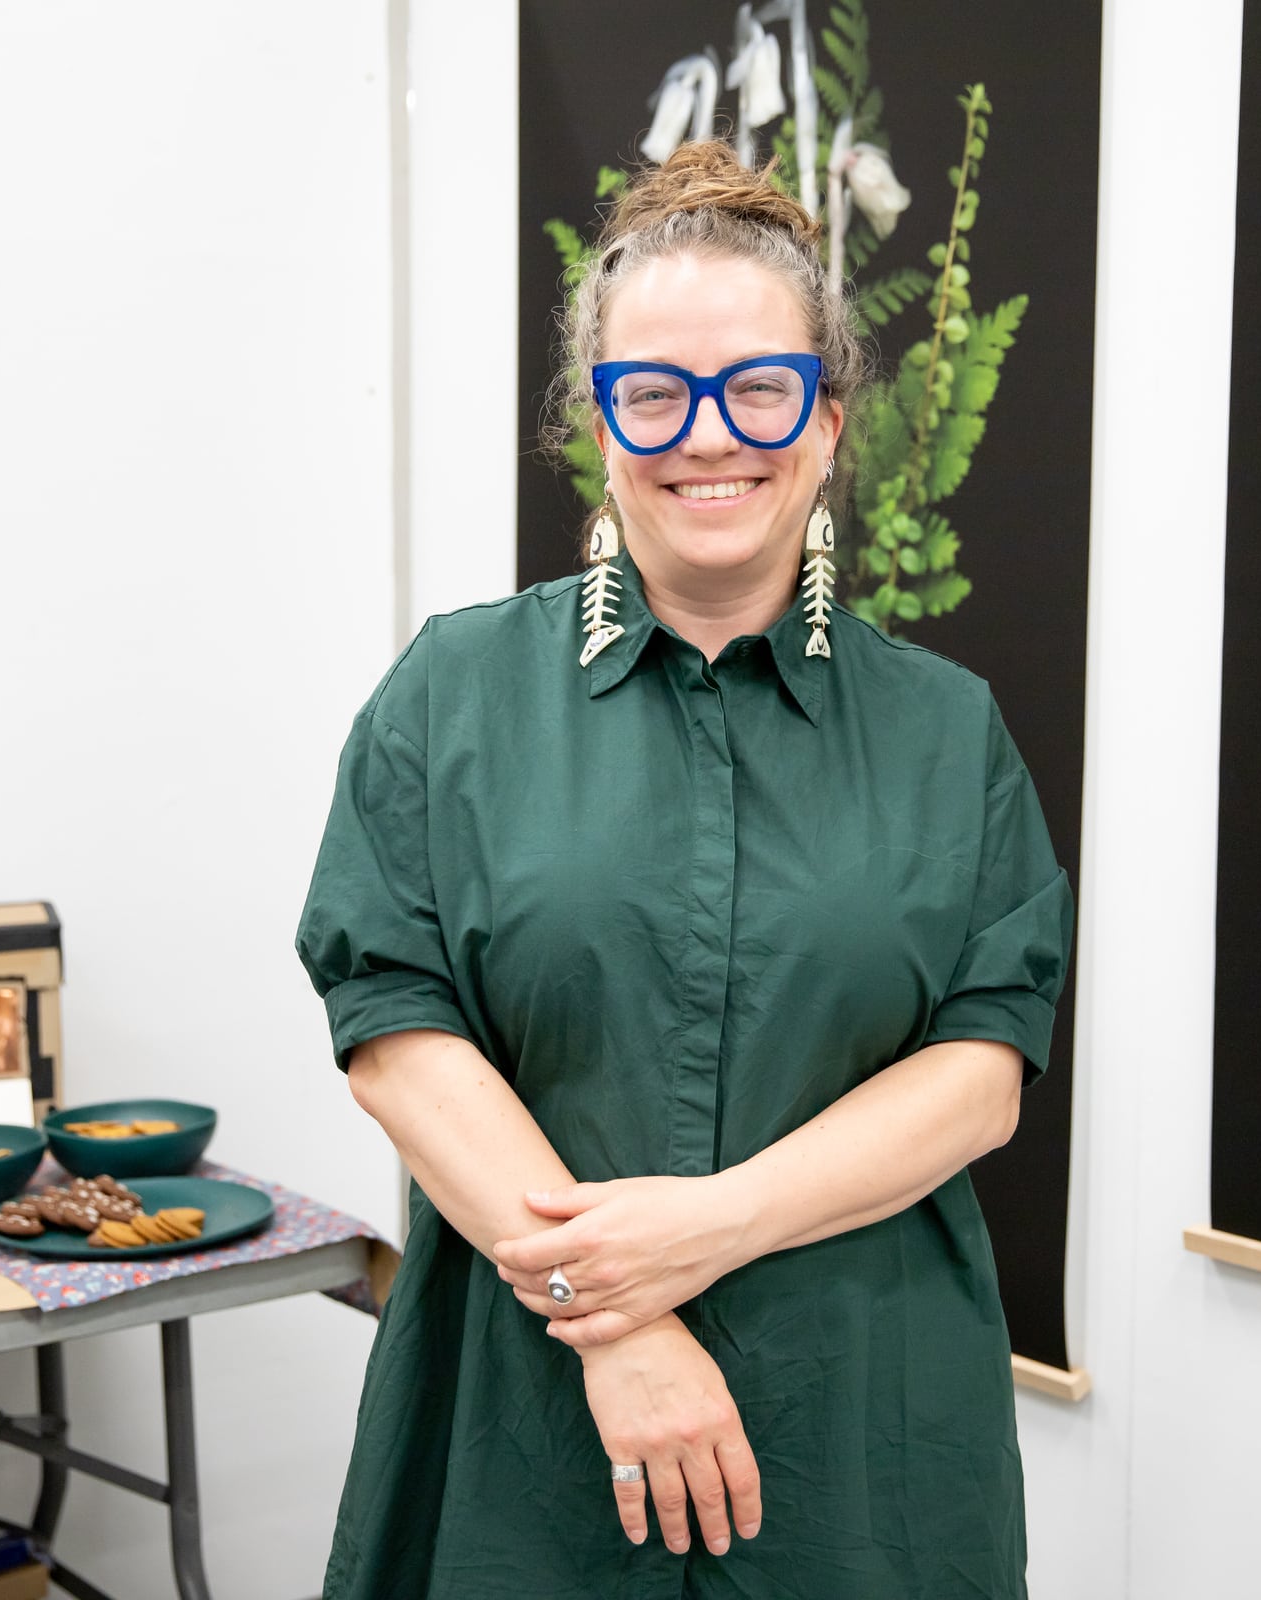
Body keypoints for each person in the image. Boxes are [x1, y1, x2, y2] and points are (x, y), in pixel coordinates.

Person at [298, 139, 1073, 1599]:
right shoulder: (452, 695)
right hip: (525, 1422)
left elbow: (983, 1068)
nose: (707, 436)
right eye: (653, 392)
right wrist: (623, 1323)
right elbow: (395, 1035)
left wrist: (705, 1232)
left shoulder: (944, 729)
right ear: (598, 425)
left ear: (830, 420)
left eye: (759, 389)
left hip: (859, 1432)